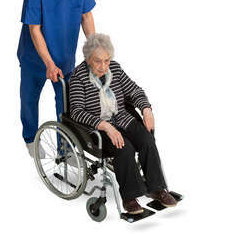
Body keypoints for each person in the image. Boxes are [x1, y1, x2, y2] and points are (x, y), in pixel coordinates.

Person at [69, 33, 177, 214]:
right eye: (98, 61)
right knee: (124, 148)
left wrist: (146, 110)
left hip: (122, 119)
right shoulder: (78, 78)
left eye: (107, 60)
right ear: (88, 59)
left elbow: (135, 91)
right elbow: (77, 112)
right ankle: (129, 197)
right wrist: (106, 126)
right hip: (99, 129)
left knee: (147, 139)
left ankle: (156, 188)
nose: (103, 66)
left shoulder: (115, 70)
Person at [17, 0, 96, 158]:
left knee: (66, 102)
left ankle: (65, 147)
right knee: (29, 98)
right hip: (35, 58)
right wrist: (48, 63)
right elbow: (34, 30)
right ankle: (31, 139)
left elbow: (86, 16)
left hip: (65, 56)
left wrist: (94, 48)